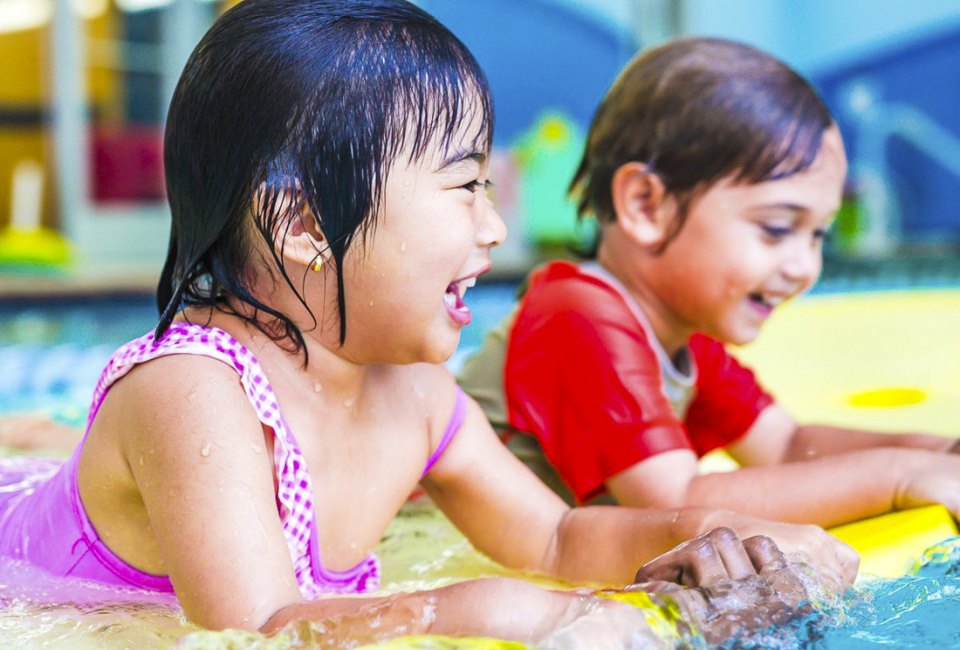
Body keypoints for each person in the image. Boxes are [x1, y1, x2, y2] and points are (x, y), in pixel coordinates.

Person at [0, 3, 856, 646]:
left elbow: (555, 535)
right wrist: (485, 607)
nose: (492, 228)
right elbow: (260, 629)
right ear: (301, 223)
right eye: (464, 186)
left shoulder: (413, 391)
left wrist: (715, 537)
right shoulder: (191, 393)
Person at [458, 37, 960, 529]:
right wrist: (899, 476)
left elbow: (787, 447)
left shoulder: (684, 336)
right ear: (645, 205)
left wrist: (939, 451)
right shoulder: (576, 315)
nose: (806, 267)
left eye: (818, 236)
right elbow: (675, 505)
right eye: (778, 228)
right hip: (420, 536)